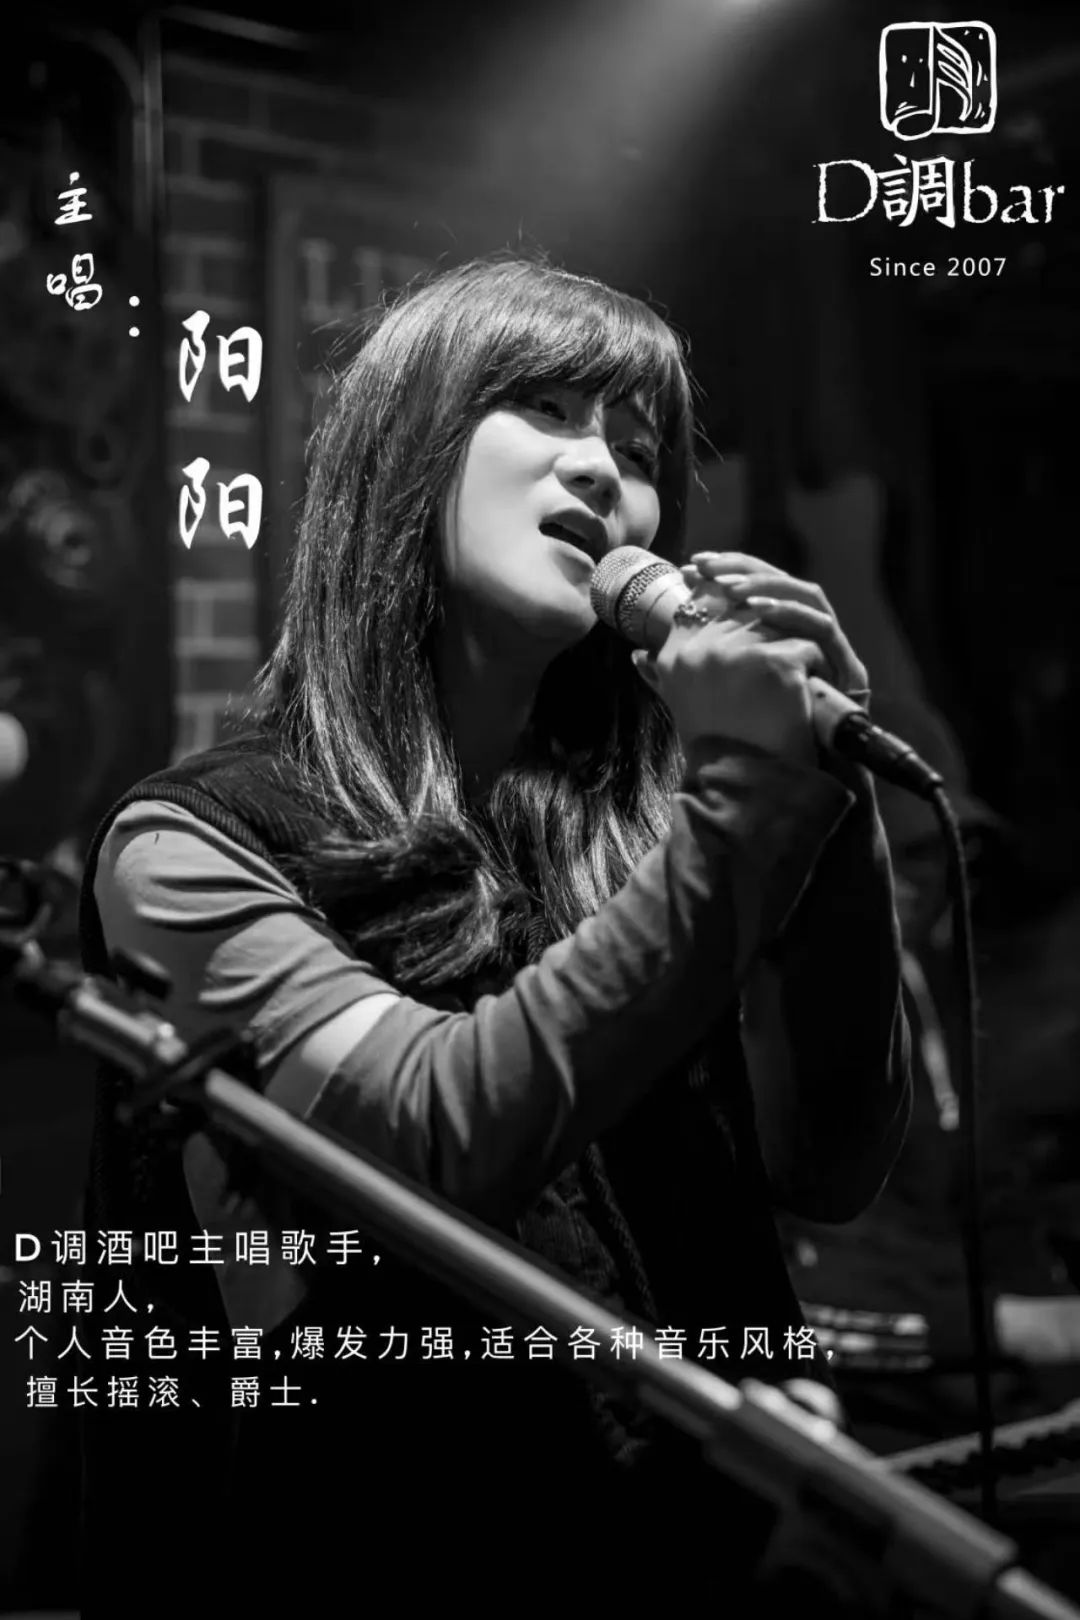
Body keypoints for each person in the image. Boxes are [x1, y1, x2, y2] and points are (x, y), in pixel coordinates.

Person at [76, 255, 911, 1611]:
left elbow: (828, 1162)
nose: (602, 473)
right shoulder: (187, 846)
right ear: (405, 454)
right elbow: (427, 1136)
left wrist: (832, 801)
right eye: (547, 410)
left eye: (636, 449)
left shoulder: (644, 838)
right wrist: (747, 809)